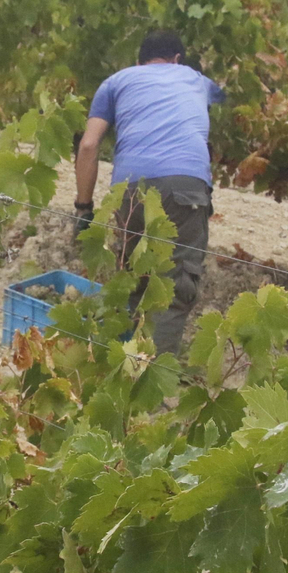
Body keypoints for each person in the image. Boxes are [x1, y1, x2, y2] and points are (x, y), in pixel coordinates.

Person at [73, 29, 224, 355]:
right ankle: (151, 385)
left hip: (130, 188)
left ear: (138, 61)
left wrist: (84, 208)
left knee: (131, 278)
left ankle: (112, 365)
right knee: (175, 286)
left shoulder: (115, 82)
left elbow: (88, 145)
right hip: (186, 184)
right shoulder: (196, 79)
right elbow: (222, 96)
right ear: (177, 60)